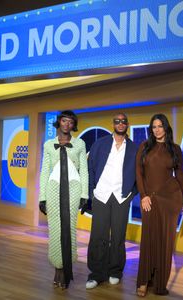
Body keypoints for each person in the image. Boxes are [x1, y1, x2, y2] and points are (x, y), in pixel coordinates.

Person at [135, 113, 183, 297]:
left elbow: (180, 174)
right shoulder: (144, 147)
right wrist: (143, 195)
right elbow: (139, 173)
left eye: (160, 126)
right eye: (154, 127)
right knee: (149, 239)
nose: (157, 130)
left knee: (166, 243)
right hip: (149, 199)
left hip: (170, 199)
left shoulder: (175, 149)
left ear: (166, 127)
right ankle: (143, 281)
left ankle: (160, 284)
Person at [85, 113, 138, 289]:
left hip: (121, 198)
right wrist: (92, 191)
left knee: (117, 236)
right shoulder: (100, 144)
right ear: (113, 124)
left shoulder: (134, 148)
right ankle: (96, 274)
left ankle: (115, 271)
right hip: (101, 195)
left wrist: (131, 194)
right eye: (117, 121)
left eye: (123, 121)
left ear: (127, 125)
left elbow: (140, 175)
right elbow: (90, 168)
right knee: (98, 236)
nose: (120, 124)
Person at [38, 110, 89, 289]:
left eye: (70, 122)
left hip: (74, 189)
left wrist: (84, 195)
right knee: (55, 229)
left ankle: (67, 268)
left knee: (69, 228)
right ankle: (57, 269)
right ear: (59, 123)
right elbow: (44, 171)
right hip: (53, 189)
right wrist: (42, 197)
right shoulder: (48, 145)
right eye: (64, 121)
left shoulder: (80, 144)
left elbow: (84, 170)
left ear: (73, 125)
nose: (67, 124)